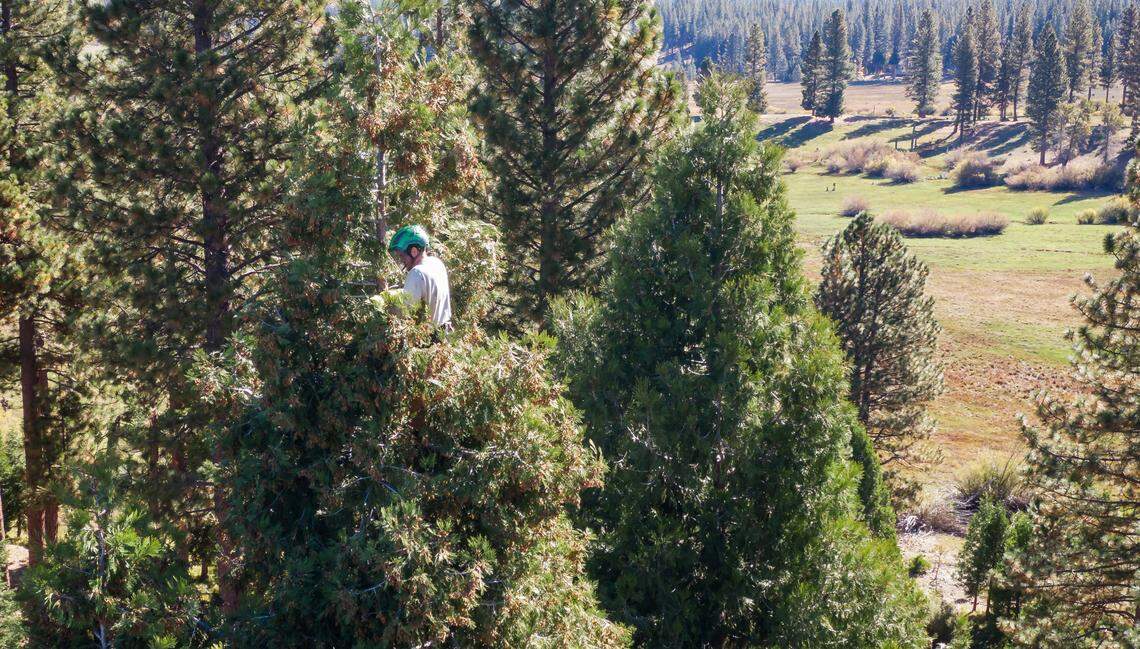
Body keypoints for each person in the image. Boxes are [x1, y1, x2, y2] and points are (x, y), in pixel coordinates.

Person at [387, 225, 452, 329]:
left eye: (402, 256)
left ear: (413, 251)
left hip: (425, 339)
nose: (401, 260)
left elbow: (406, 312)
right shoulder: (437, 263)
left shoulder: (416, 273)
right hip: (444, 332)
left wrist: (387, 304)